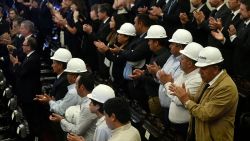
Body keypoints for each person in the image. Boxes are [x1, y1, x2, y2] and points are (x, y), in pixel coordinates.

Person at [170, 47, 238, 141]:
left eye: (204, 68)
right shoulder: (208, 79)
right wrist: (187, 96)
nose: (199, 71)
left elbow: (206, 114)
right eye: (199, 67)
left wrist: (186, 100)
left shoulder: (227, 87)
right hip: (199, 134)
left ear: (215, 69)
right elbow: (199, 103)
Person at [158, 42, 203, 141]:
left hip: (185, 127)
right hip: (176, 126)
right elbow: (174, 92)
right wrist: (170, 84)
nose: (180, 61)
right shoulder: (184, 72)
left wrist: (167, 83)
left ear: (190, 63)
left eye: (182, 59)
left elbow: (180, 100)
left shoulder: (197, 79)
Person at [129, 25, 170, 115]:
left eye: (149, 41)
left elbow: (160, 81)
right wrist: (144, 72)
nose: (148, 43)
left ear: (156, 43)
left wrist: (142, 76)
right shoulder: (157, 54)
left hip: (157, 97)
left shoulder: (162, 58)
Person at [9, 37, 41, 140]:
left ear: (29, 47)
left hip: (29, 95)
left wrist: (15, 64)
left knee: (31, 118)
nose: (22, 46)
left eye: (24, 45)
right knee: (29, 117)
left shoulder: (32, 59)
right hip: (27, 93)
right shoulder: (29, 57)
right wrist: (18, 64)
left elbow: (21, 73)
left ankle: (33, 137)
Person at [49, 73, 97, 141]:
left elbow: (77, 131)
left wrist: (61, 120)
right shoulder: (87, 99)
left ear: (82, 87)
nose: (75, 87)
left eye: (76, 84)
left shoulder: (88, 106)